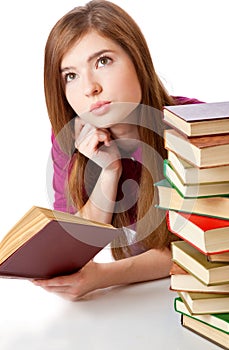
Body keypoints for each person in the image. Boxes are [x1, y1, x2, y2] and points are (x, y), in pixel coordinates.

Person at [34, 0, 200, 300]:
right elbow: (73, 248)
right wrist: (109, 173)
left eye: (102, 61)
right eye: (70, 75)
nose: (90, 88)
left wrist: (103, 278)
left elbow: (199, 249)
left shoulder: (194, 129)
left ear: (137, 59)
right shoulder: (73, 141)